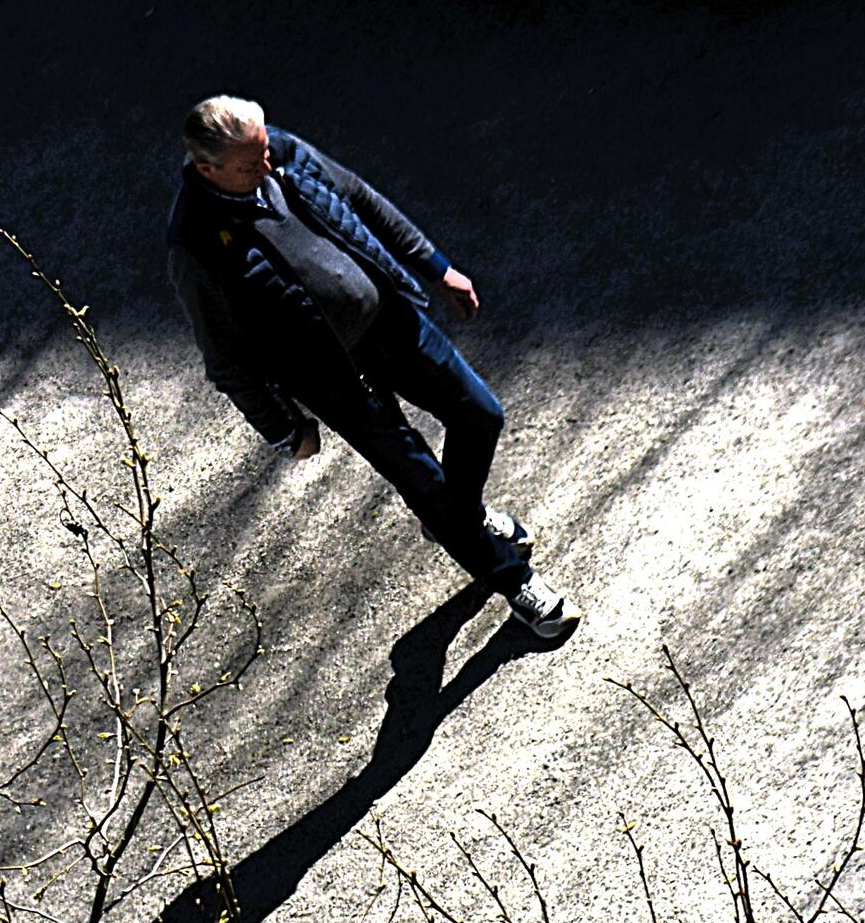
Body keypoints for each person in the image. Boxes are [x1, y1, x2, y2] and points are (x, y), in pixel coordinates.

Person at [166, 95, 580, 640]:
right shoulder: (196, 244)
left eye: (265, 151)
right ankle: (516, 583)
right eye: (250, 166)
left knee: (480, 414)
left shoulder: (278, 150)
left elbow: (361, 199)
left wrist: (437, 266)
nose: (268, 168)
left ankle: (462, 520)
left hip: (391, 321)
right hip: (336, 379)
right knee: (424, 481)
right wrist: (284, 429)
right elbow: (225, 359)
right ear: (207, 170)